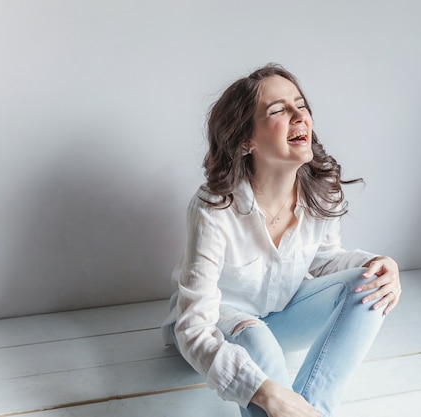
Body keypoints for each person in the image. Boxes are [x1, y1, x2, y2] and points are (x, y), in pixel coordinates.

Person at [161, 63, 402, 417]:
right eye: (278, 110)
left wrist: (379, 264)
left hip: (283, 320)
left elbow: (324, 259)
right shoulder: (214, 208)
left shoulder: (321, 190)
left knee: (371, 283)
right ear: (246, 140)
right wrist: (263, 392)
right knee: (256, 339)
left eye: (300, 105)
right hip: (221, 327)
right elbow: (193, 328)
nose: (298, 115)